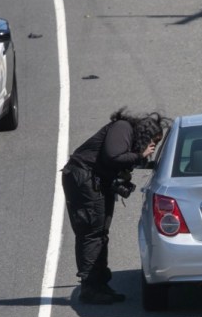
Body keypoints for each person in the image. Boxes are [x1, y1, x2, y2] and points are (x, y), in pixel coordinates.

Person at [62, 107, 169, 304]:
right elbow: (113, 156)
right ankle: (90, 287)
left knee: (101, 231)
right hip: (83, 179)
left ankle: (100, 283)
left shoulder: (127, 136)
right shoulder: (123, 128)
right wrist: (140, 155)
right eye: (153, 142)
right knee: (92, 232)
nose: (152, 148)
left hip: (95, 181)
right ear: (145, 134)